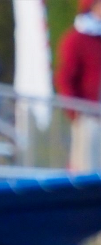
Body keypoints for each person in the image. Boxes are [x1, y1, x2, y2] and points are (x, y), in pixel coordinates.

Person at [58, 0, 101, 172]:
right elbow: (65, 79)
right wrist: (76, 113)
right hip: (88, 118)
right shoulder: (76, 39)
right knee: (86, 172)